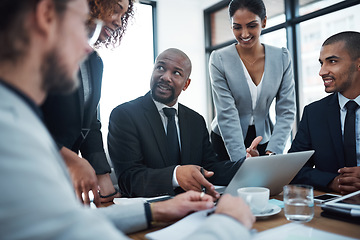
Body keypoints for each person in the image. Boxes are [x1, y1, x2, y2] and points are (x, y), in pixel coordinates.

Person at [0, 0, 256, 238]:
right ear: (46, 17)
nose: (89, 47)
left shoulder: (20, 121)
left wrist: (156, 211)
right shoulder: (14, 140)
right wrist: (229, 223)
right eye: (82, 23)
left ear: (186, 83)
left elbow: (72, 222)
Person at [108, 48, 261, 198]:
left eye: (176, 73)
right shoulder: (124, 115)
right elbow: (129, 180)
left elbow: (209, 168)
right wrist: (176, 175)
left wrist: (245, 165)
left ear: (186, 84)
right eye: (160, 68)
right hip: (152, 210)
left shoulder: (195, 120)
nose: (165, 77)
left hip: (196, 205)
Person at [41, 0, 135, 205]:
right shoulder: (45, 46)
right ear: (94, 5)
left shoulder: (95, 62)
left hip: (66, 181)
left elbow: (90, 124)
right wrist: (70, 159)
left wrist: (103, 176)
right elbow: (26, 116)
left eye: (123, 16)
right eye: (116, 11)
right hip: (36, 167)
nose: (119, 22)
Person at [209, 0, 296, 162]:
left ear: (263, 22)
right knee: (229, 186)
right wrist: (242, 160)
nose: (244, 34)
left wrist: (273, 152)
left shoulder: (282, 58)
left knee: (266, 185)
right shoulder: (219, 59)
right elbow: (227, 113)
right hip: (225, 140)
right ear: (231, 26)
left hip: (264, 139)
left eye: (251, 25)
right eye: (237, 27)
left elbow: (287, 110)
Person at [290, 31, 360, 195]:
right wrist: (332, 182)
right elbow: (294, 169)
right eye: (321, 63)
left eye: (332, 61)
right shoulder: (313, 113)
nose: (322, 71)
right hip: (332, 207)